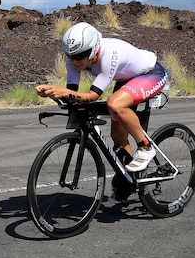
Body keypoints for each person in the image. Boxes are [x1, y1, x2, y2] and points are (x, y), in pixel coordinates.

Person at [35, 21, 169, 172]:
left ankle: (146, 146)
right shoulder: (74, 60)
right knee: (118, 137)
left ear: (92, 51)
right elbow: (72, 93)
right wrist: (51, 92)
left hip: (150, 74)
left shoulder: (109, 55)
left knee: (114, 104)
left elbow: (92, 96)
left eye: (79, 56)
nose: (74, 61)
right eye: (70, 56)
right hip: (126, 79)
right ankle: (131, 183)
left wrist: (65, 92)